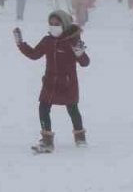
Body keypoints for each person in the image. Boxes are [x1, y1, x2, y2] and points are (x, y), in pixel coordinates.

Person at [14, 11, 90, 153]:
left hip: (67, 83)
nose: (53, 27)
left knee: (72, 109)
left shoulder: (72, 41)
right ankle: (47, 140)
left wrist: (80, 54)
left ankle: (80, 137)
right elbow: (34, 54)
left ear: (64, 25)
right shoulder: (47, 41)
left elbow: (85, 63)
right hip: (50, 82)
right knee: (43, 108)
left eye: (57, 24)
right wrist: (20, 44)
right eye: (51, 24)